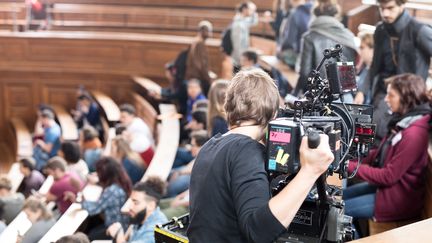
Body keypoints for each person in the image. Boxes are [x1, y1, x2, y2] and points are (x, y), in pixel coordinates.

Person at [187, 69, 334, 242]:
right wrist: (310, 171)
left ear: (228, 107)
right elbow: (258, 232)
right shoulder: (246, 151)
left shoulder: (209, 146)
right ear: (273, 114)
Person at [344, 74, 432, 235]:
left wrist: (347, 166)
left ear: (406, 98)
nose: (386, 99)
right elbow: (378, 154)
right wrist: (348, 156)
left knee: (339, 212)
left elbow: (388, 176)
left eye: (391, 95)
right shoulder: (405, 122)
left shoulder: (414, 134)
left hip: (397, 200)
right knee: (338, 198)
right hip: (387, 190)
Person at [354, 0, 432, 141]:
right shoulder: (380, 30)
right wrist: (362, 91)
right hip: (382, 95)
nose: (385, 13)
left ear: (402, 5)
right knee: (368, 136)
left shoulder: (420, 31)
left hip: (409, 100)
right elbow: (374, 67)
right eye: (381, 8)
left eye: (390, 8)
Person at [295, 0, 357, 98]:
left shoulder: (309, 37)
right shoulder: (348, 36)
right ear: (335, 14)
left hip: (320, 97)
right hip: (345, 97)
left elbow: (305, 74)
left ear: (316, 14)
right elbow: (352, 72)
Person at [77, 157, 132, 240]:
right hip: (122, 224)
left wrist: (81, 201)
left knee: (88, 236)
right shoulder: (122, 182)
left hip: (116, 229)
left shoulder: (112, 190)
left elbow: (93, 209)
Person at [106, 177, 168, 243]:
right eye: (131, 201)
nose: (130, 207)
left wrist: (118, 234)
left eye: (136, 203)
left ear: (151, 205)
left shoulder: (153, 232)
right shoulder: (140, 217)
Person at [277, 0, 313, 68]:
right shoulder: (313, 11)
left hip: (297, 55)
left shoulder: (295, 13)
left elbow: (290, 39)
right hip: (311, 55)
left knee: (279, 57)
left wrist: (281, 49)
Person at [185, 21, 213, 96]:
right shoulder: (199, 43)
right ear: (202, 31)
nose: (210, 33)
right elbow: (200, 64)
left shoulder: (196, 41)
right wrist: (208, 78)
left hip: (195, 76)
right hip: (198, 77)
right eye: (208, 31)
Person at [231, 1, 259, 69]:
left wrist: (254, 10)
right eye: (250, 9)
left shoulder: (243, 20)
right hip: (239, 59)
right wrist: (242, 61)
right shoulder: (238, 23)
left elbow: (254, 22)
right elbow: (237, 44)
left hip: (243, 58)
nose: (252, 12)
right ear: (244, 9)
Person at [356, 32, 374, 105]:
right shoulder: (364, 68)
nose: (360, 51)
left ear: (372, 49)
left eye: (362, 48)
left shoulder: (374, 72)